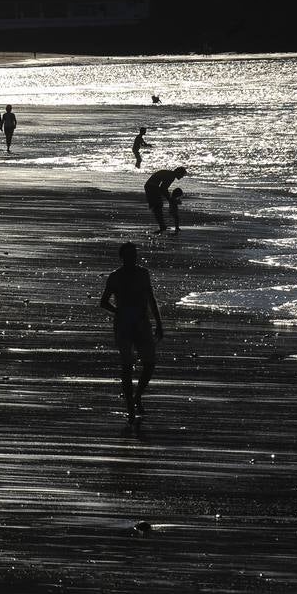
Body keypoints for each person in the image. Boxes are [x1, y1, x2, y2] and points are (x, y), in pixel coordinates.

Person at [100, 242, 165, 424]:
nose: (132, 258)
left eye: (134, 255)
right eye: (129, 255)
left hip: (143, 323)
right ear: (122, 257)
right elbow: (103, 301)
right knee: (127, 366)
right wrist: (118, 311)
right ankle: (130, 407)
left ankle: (137, 397)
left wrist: (159, 323)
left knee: (149, 363)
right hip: (123, 325)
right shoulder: (115, 277)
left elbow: (151, 299)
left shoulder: (143, 274)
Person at [143, 166, 187, 233]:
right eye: (182, 175)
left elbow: (163, 189)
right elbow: (163, 188)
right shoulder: (171, 176)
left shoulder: (170, 174)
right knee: (157, 206)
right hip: (151, 187)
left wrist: (169, 198)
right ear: (179, 173)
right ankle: (162, 226)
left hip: (151, 186)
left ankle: (162, 225)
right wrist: (170, 199)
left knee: (158, 206)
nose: (182, 177)